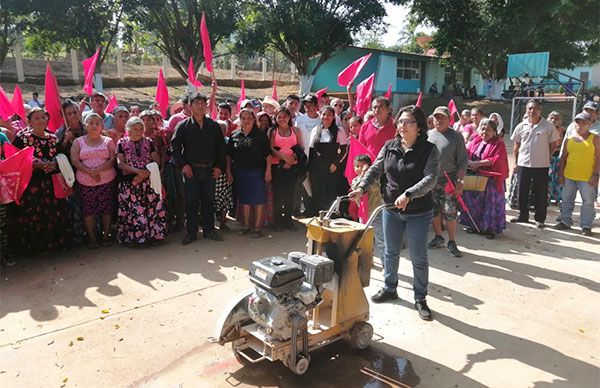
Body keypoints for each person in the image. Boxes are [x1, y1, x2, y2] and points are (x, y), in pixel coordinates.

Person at [349, 105, 440, 320]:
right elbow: (375, 169)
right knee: (390, 252)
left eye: (408, 122)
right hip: (391, 208)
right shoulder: (389, 146)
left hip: (418, 211)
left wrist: (409, 194)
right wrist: (361, 188)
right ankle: (390, 287)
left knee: (418, 256)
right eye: (400, 121)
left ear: (419, 127)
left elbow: (430, 179)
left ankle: (420, 298)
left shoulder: (429, 150)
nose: (403, 126)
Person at [11, 108, 70, 254]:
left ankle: (54, 245)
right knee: (34, 215)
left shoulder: (52, 138)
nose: (41, 121)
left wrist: (54, 163)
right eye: (36, 118)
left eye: (43, 117)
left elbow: (61, 155)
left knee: (54, 213)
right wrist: (35, 164)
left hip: (52, 183)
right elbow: (15, 157)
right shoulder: (22, 138)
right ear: (29, 121)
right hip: (32, 185)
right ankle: (35, 247)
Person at [171, 92, 226, 245]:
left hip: (210, 170)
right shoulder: (183, 126)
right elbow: (174, 147)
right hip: (191, 171)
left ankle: (209, 230)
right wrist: (184, 165)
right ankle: (191, 232)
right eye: (197, 103)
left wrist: (219, 167)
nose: (200, 106)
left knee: (209, 201)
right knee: (191, 202)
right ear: (190, 106)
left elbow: (221, 148)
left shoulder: (214, 126)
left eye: (203, 103)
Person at [116, 117, 168, 246]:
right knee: (132, 211)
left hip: (147, 182)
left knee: (151, 208)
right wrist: (136, 171)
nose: (138, 132)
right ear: (128, 129)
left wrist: (145, 173)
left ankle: (154, 236)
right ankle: (132, 238)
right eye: (135, 129)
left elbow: (155, 161)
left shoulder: (148, 142)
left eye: (140, 129)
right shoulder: (121, 143)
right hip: (130, 183)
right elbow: (120, 164)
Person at [70, 113, 117, 249]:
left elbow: (113, 158)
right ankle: (92, 238)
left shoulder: (108, 141)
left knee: (106, 209)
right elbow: (74, 159)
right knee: (88, 211)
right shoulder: (78, 141)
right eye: (91, 123)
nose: (94, 125)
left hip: (107, 180)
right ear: (85, 126)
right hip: (85, 182)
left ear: (102, 126)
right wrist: (89, 171)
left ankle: (106, 236)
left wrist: (100, 169)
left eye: (97, 123)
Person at [510, 99, 560, 228]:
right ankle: (523, 216)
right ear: (526, 110)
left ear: (540, 110)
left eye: (535, 108)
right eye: (530, 108)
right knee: (522, 191)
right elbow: (516, 146)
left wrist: (546, 156)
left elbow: (554, 144)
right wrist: (516, 162)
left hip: (541, 165)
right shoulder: (521, 126)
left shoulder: (548, 126)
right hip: (523, 164)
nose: (532, 111)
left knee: (541, 192)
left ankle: (540, 218)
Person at [427, 106, 469, 257]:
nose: (439, 120)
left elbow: (463, 161)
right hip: (432, 180)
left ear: (449, 119)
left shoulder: (456, 137)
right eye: (436, 117)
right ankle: (438, 237)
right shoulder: (429, 135)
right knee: (434, 210)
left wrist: (460, 181)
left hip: (449, 180)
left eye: (442, 117)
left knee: (450, 212)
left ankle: (452, 241)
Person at [358, 97, 396, 258]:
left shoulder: (396, 127)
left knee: (386, 211)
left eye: (381, 107)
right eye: (374, 107)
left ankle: (389, 247)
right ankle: (368, 251)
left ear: (388, 109)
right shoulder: (366, 126)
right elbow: (360, 150)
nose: (377, 110)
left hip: (389, 175)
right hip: (369, 175)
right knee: (367, 212)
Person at [459, 119, 509, 239]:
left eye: (488, 130)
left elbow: (496, 159)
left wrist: (478, 164)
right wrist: (468, 161)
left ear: (494, 132)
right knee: (473, 203)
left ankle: (489, 229)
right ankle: (474, 225)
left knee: (488, 205)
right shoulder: (475, 141)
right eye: (482, 129)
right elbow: (466, 152)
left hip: (490, 181)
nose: (484, 132)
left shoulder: (499, 144)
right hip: (474, 178)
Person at [226, 108, 272, 238]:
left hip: (257, 172)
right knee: (245, 199)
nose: (246, 121)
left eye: (249, 118)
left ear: (254, 120)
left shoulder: (260, 135)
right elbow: (229, 156)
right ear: (240, 120)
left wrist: (268, 171)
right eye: (244, 118)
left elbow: (268, 155)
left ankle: (257, 227)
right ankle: (246, 225)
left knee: (258, 200)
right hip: (240, 172)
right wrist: (228, 171)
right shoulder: (234, 135)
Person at [553, 112, 599, 236]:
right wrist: (561, 175)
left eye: (584, 122)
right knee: (567, 200)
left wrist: (596, 175)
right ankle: (565, 221)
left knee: (588, 202)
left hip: (587, 177)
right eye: (578, 122)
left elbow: (599, 158)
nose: (580, 125)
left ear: (590, 124)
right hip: (569, 176)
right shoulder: (569, 140)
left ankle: (586, 225)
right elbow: (563, 158)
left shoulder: (595, 139)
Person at [269, 107, 304, 231]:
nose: (282, 119)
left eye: (285, 116)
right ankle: (278, 220)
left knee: (290, 193)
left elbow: (301, 147)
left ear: (289, 117)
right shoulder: (273, 131)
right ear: (276, 118)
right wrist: (284, 158)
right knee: (278, 193)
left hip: (292, 166)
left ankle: (288, 219)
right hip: (277, 166)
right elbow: (271, 149)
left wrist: (292, 159)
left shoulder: (296, 130)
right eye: (279, 116)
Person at [308, 106, 347, 214]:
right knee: (317, 193)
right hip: (316, 168)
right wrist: (309, 168)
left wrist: (336, 164)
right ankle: (316, 216)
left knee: (330, 193)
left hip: (331, 168)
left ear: (333, 117)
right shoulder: (315, 130)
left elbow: (344, 150)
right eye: (324, 114)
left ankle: (330, 216)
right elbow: (311, 150)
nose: (326, 117)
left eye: (329, 115)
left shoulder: (339, 131)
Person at [350, 154, 381, 223]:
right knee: (365, 233)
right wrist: (362, 175)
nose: (360, 169)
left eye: (363, 166)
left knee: (376, 232)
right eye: (357, 166)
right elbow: (356, 188)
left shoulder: (374, 179)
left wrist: (366, 174)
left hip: (375, 213)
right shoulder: (355, 180)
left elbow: (375, 187)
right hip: (363, 213)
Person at [547, 111, 566, 205]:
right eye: (552, 118)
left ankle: (559, 199)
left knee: (559, 177)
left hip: (559, 157)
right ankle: (547, 197)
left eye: (556, 118)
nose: (553, 120)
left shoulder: (564, 131)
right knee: (548, 178)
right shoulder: (545, 129)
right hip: (547, 156)